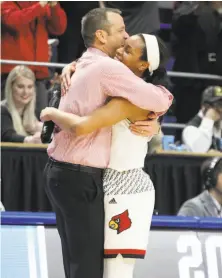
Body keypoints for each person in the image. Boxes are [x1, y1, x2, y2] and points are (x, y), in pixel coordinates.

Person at [42, 8, 173, 278]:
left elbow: (82, 126)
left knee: (108, 270)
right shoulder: (107, 72)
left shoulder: (123, 94)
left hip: (124, 188)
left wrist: (50, 112)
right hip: (97, 180)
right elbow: (157, 100)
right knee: (90, 267)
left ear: (143, 66)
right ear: (102, 36)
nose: (121, 45)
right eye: (121, 39)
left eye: (128, 49)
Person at [1, 1, 67, 116]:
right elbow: (15, 21)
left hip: (38, 74)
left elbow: (59, 28)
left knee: (41, 116)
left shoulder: (43, 5)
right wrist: (39, 6)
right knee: (10, 118)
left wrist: (54, 7)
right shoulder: (7, 3)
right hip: (12, 75)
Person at [1, 66, 42, 144]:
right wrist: (30, 140)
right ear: (11, 87)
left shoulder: (34, 114)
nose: (25, 92)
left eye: (30, 87)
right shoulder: (2, 110)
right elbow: (7, 136)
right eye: (20, 86)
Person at [182, 86, 222, 153]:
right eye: (219, 105)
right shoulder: (190, 129)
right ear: (205, 107)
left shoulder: (219, 124)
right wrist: (209, 119)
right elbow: (199, 150)